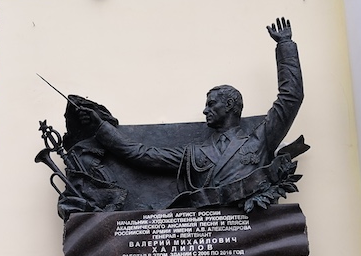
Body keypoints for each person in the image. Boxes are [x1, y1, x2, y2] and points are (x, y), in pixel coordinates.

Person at [78, 17, 304, 208]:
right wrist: (101, 128)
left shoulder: (260, 141)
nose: (205, 110)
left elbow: (290, 98)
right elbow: (142, 154)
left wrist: (285, 46)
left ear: (229, 106)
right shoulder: (195, 154)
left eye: (211, 104)